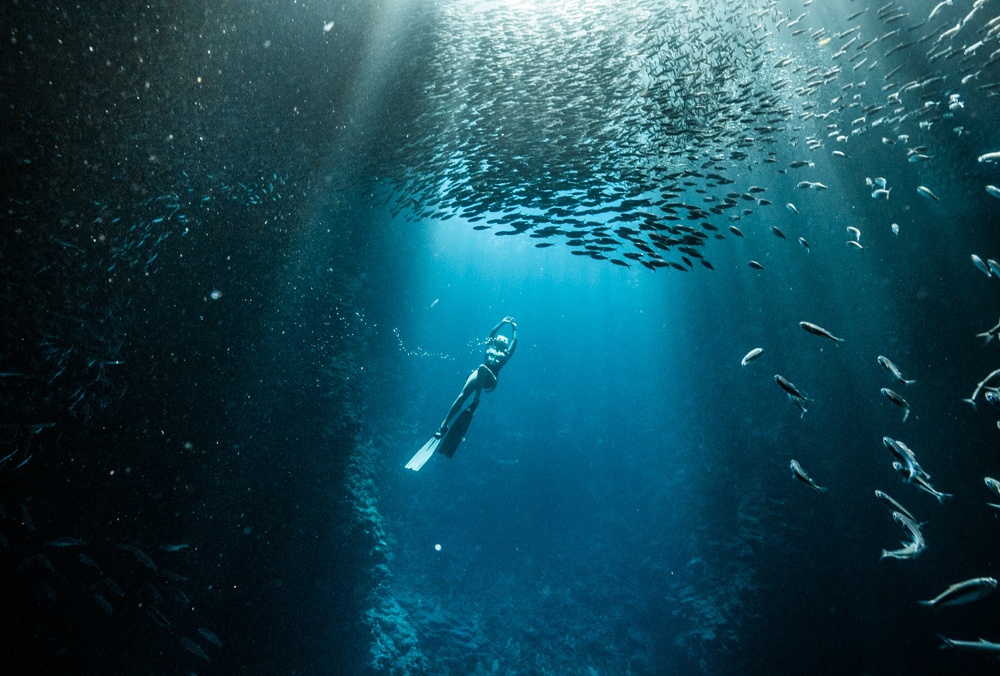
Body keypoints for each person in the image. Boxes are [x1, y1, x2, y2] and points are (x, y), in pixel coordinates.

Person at [435, 316, 517, 438]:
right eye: (500, 337)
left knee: (482, 368)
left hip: (491, 378)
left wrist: (514, 328)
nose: (503, 339)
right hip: (480, 371)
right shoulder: (489, 347)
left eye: (505, 339)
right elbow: (491, 333)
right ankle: (444, 425)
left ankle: (476, 399)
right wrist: (502, 323)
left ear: (505, 344)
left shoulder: (506, 354)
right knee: (462, 396)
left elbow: (514, 341)